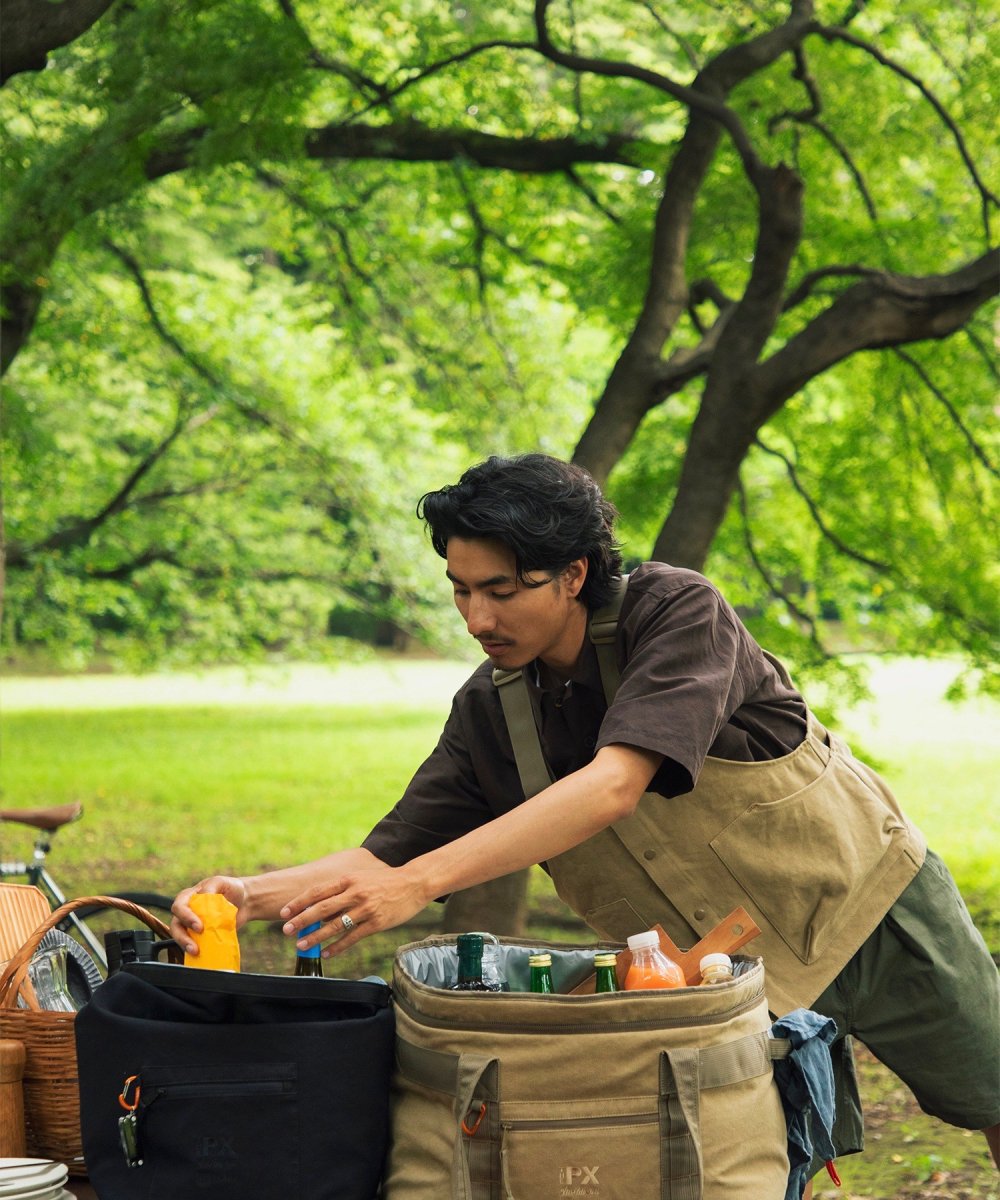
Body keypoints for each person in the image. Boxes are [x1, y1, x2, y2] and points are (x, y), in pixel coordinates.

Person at [172, 453, 999, 1181]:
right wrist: (248, 894)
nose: (477, 619)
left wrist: (417, 884)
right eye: (460, 590)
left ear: (572, 573)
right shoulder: (488, 712)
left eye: (502, 590)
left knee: (993, 1091)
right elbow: (379, 861)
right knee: (740, 1162)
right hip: (719, 974)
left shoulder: (677, 613)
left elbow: (613, 785)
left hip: (868, 905)